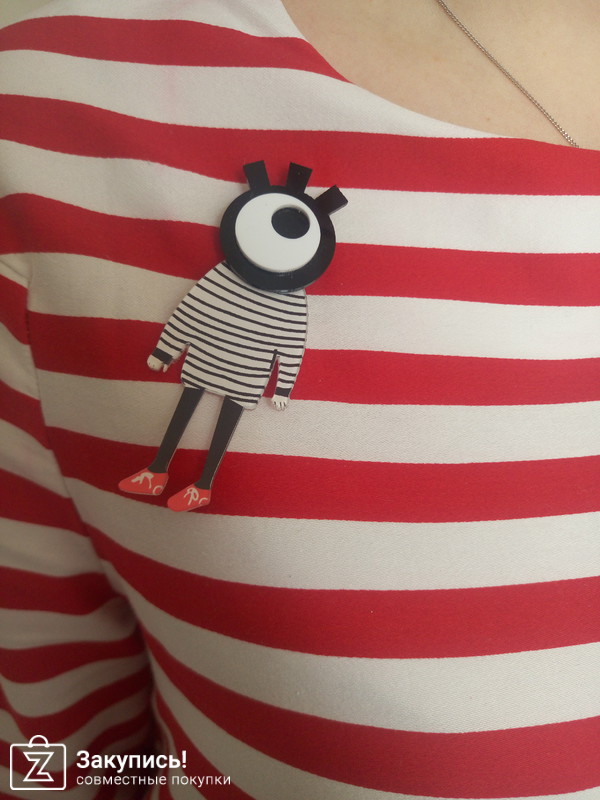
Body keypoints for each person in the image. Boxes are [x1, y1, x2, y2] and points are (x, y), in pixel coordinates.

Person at [1, 1, 599, 797]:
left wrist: (278, 382)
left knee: (212, 434)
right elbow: (56, 751)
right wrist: (167, 351)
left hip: (244, 379)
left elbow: (284, 339)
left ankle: (193, 474)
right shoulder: (61, 113)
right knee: (190, 423)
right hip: (209, 367)